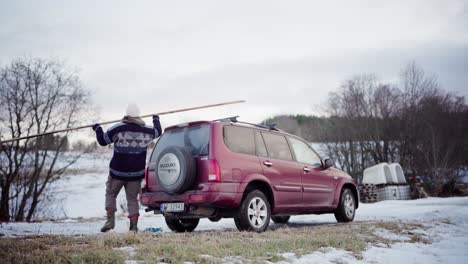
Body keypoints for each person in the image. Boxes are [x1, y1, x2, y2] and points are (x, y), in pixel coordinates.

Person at [92, 103, 162, 232]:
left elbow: (102, 141)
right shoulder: (146, 131)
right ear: (138, 114)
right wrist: (155, 119)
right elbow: (158, 131)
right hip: (136, 174)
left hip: (117, 173)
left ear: (127, 114)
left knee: (111, 194)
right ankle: (133, 226)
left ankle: (110, 221)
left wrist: (97, 128)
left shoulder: (118, 128)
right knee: (132, 200)